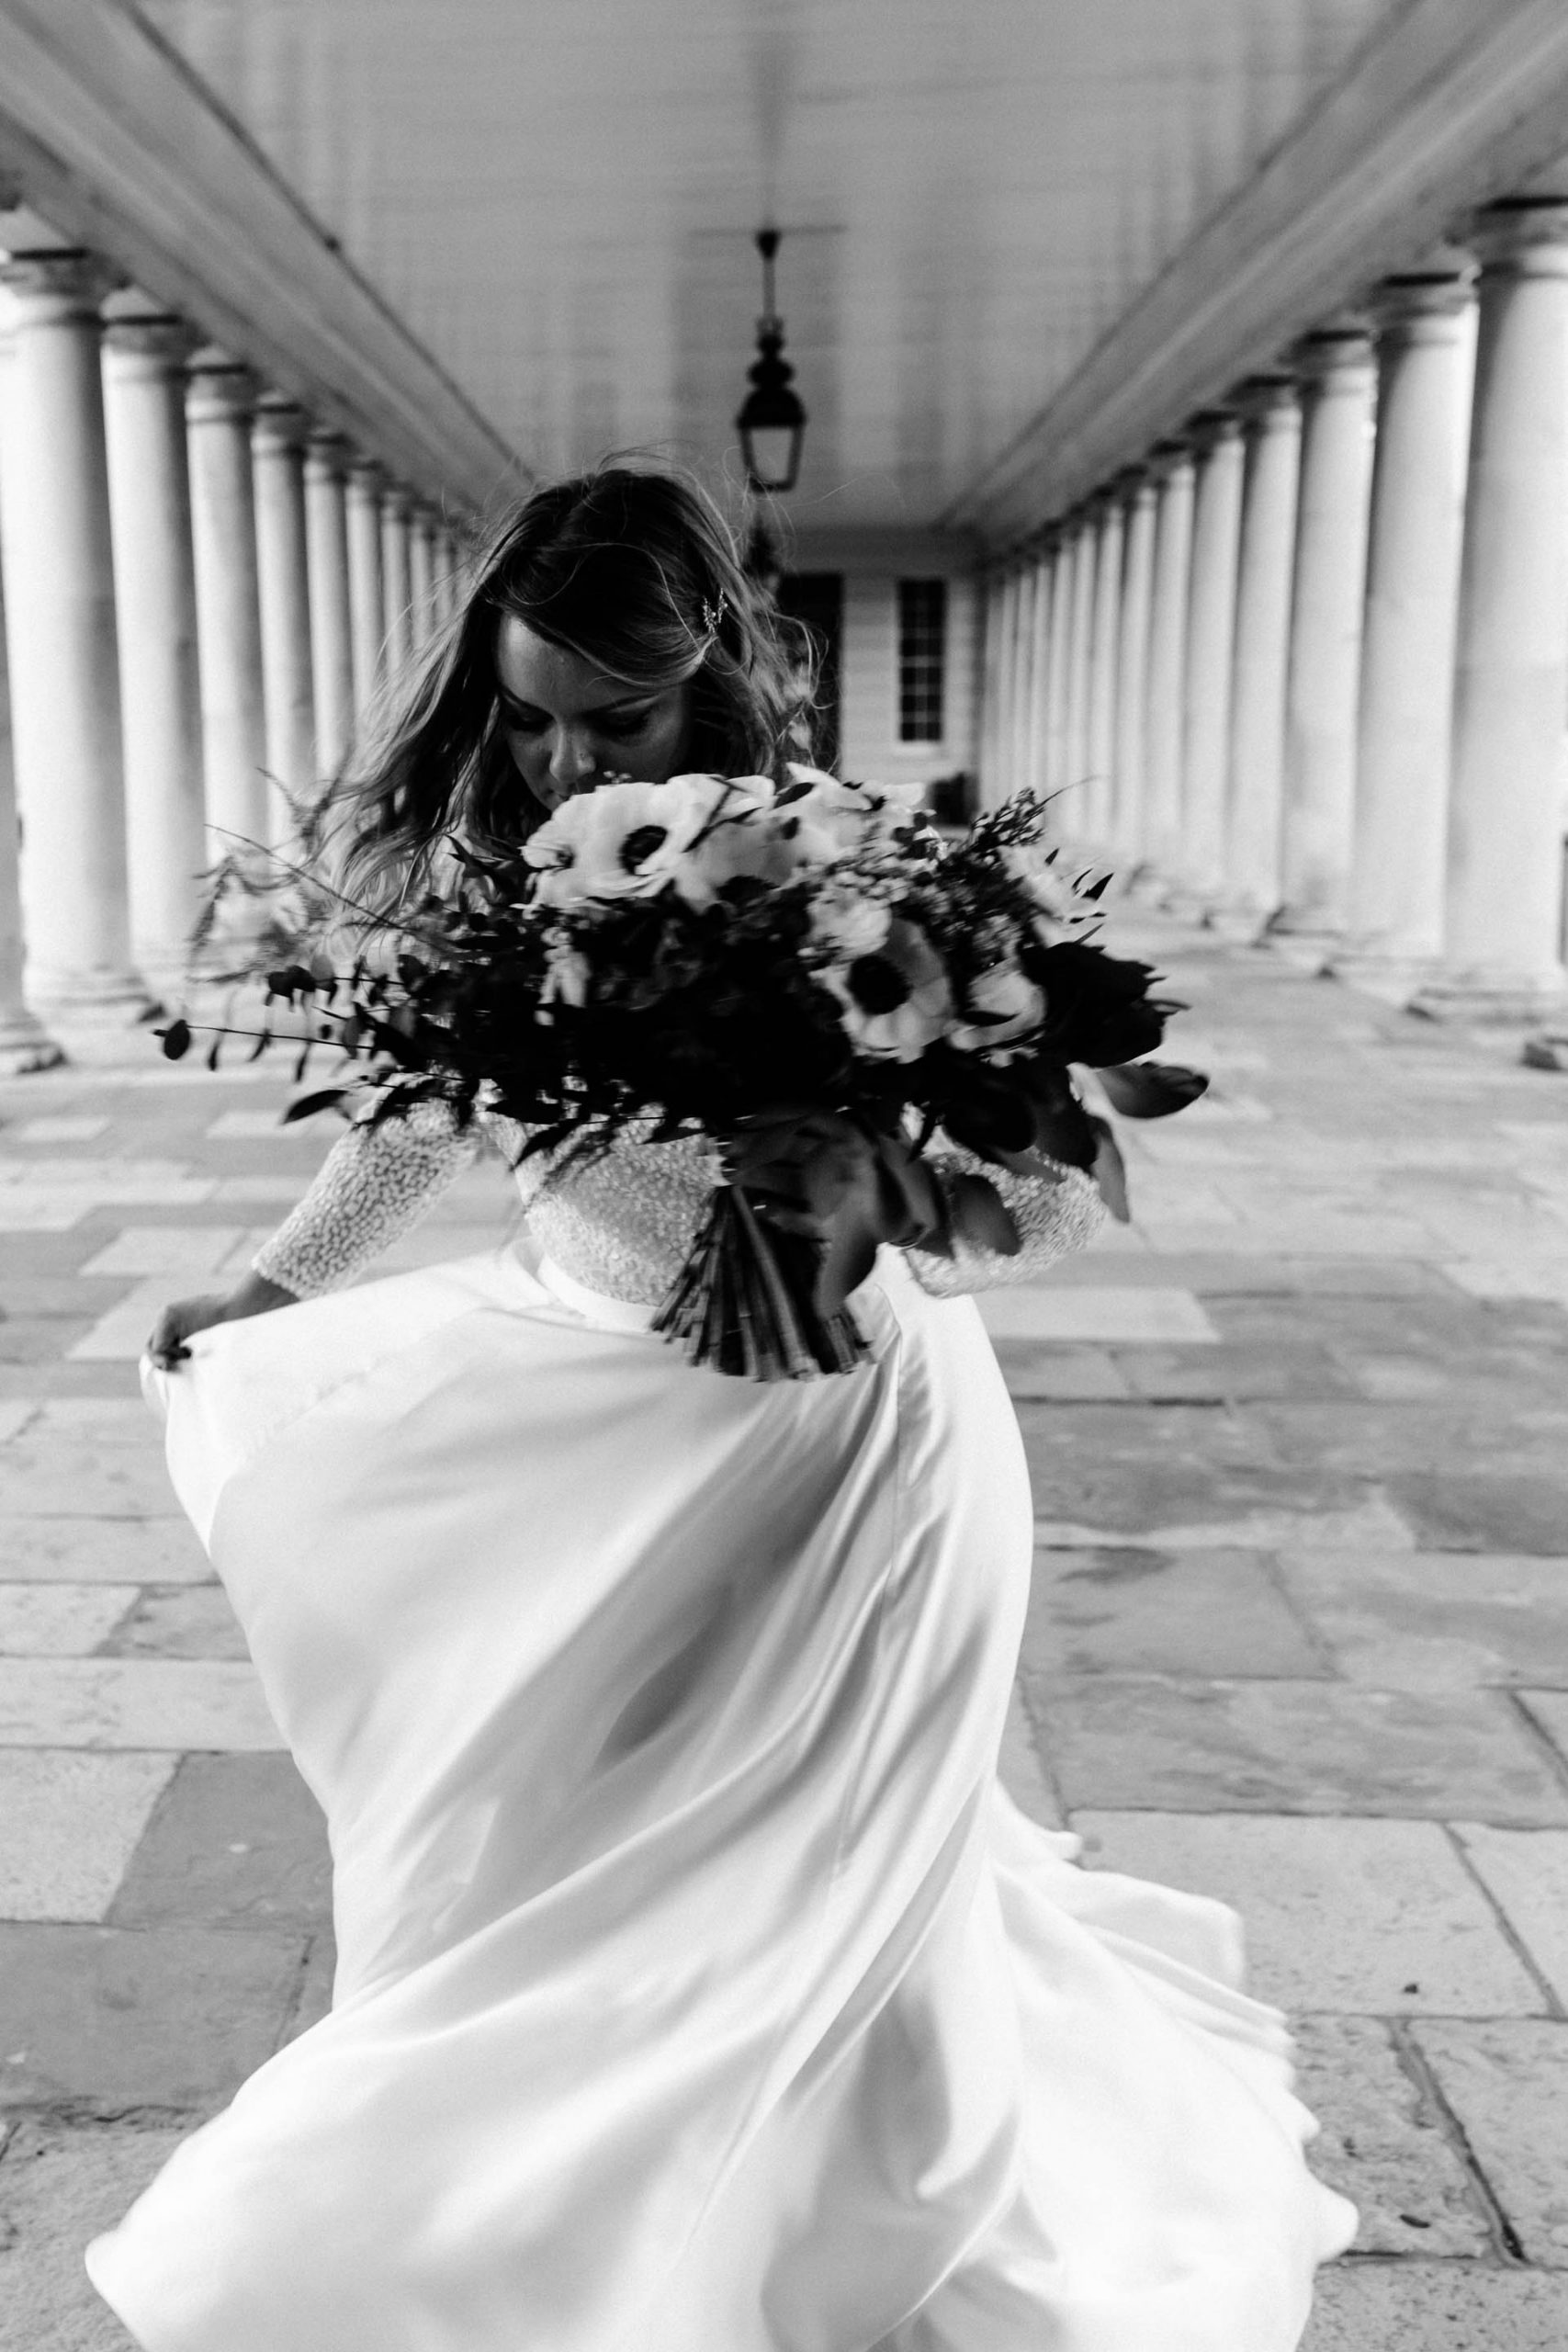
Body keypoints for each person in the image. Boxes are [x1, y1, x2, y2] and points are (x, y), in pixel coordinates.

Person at [88, 464, 1354, 2352]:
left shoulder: (848, 873)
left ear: (711, 681)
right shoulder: (498, 869)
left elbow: (1033, 1200)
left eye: (610, 716)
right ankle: (559, 2232)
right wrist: (269, 1283)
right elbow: (415, 1111)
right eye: (523, 712)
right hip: (580, 1399)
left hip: (840, 1437)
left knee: (814, 1869)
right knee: (566, 1840)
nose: (551, 757)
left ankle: (813, 2244)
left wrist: (854, 1186)